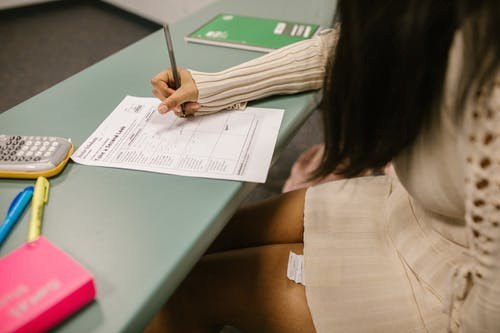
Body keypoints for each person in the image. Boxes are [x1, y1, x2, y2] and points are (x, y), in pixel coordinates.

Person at [147, 0, 499, 331]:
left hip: (452, 296)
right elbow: (351, 48)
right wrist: (213, 87)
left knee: (188, 290)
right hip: (411, 210)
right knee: (198, 246)